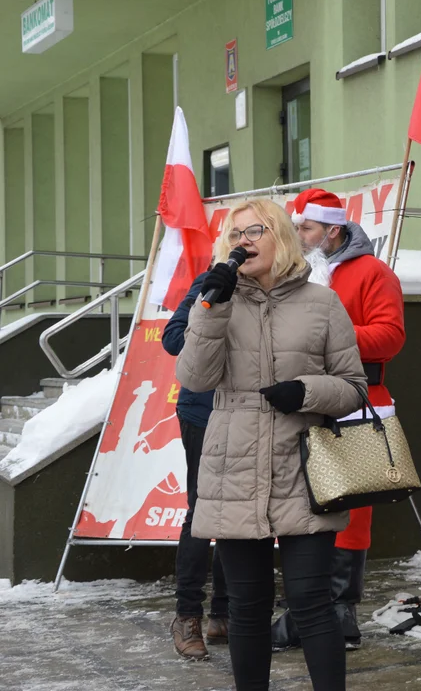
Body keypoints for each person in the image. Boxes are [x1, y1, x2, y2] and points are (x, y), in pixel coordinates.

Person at [176, 198, 367, 691]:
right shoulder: (215, 298)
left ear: (280, 235)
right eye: (235, 233)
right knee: (247, 607)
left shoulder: (322, 303)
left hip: (302, 467)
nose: (244, 240)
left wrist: (306, 391)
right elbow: (194, 377)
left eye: (255, 230)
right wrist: (210, 308)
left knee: (311, 603)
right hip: (234, 466)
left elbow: (353, 387)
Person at [269, 189, 406, 652]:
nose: (298, 236)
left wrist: (330, 335)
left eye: (305, 228)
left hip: (355, 400)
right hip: (300, 402)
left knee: (350, 511)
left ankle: (340, 613)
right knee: (297, 506)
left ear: (332, 230)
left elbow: (390, 337)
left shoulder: (373, 272)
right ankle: (307, 611)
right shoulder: (291, 275)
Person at [162, 269, 229, 660]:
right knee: (202, 511)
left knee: (240, 512)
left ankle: (224, 613)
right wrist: (211, 307)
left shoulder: (278, 287)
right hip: (202, 413)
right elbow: (173, 339)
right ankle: (187, 616)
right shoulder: (212, 280)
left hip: (253, 414)